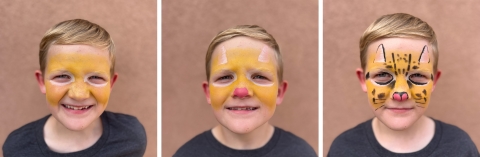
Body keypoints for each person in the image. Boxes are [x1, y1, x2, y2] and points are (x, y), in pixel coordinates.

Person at [328, 13, 479, 156]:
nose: (400, 94)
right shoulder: (343, 149)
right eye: (382, 75)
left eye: (418, 75)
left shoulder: (461, 148)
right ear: (363, 80)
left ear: (434, 81)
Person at [2, 19, 146, 157]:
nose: (79, 94)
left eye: (95, 78)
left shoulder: (131, 137)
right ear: (42, 82)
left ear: (111, 84)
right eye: (62, 76)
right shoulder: (17, 147)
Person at [174, 25, 317, 157]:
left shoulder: (302, 153)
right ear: (208, 92)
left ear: (279, 93)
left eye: (259, 76)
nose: (241, 91)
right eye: (225, 77)